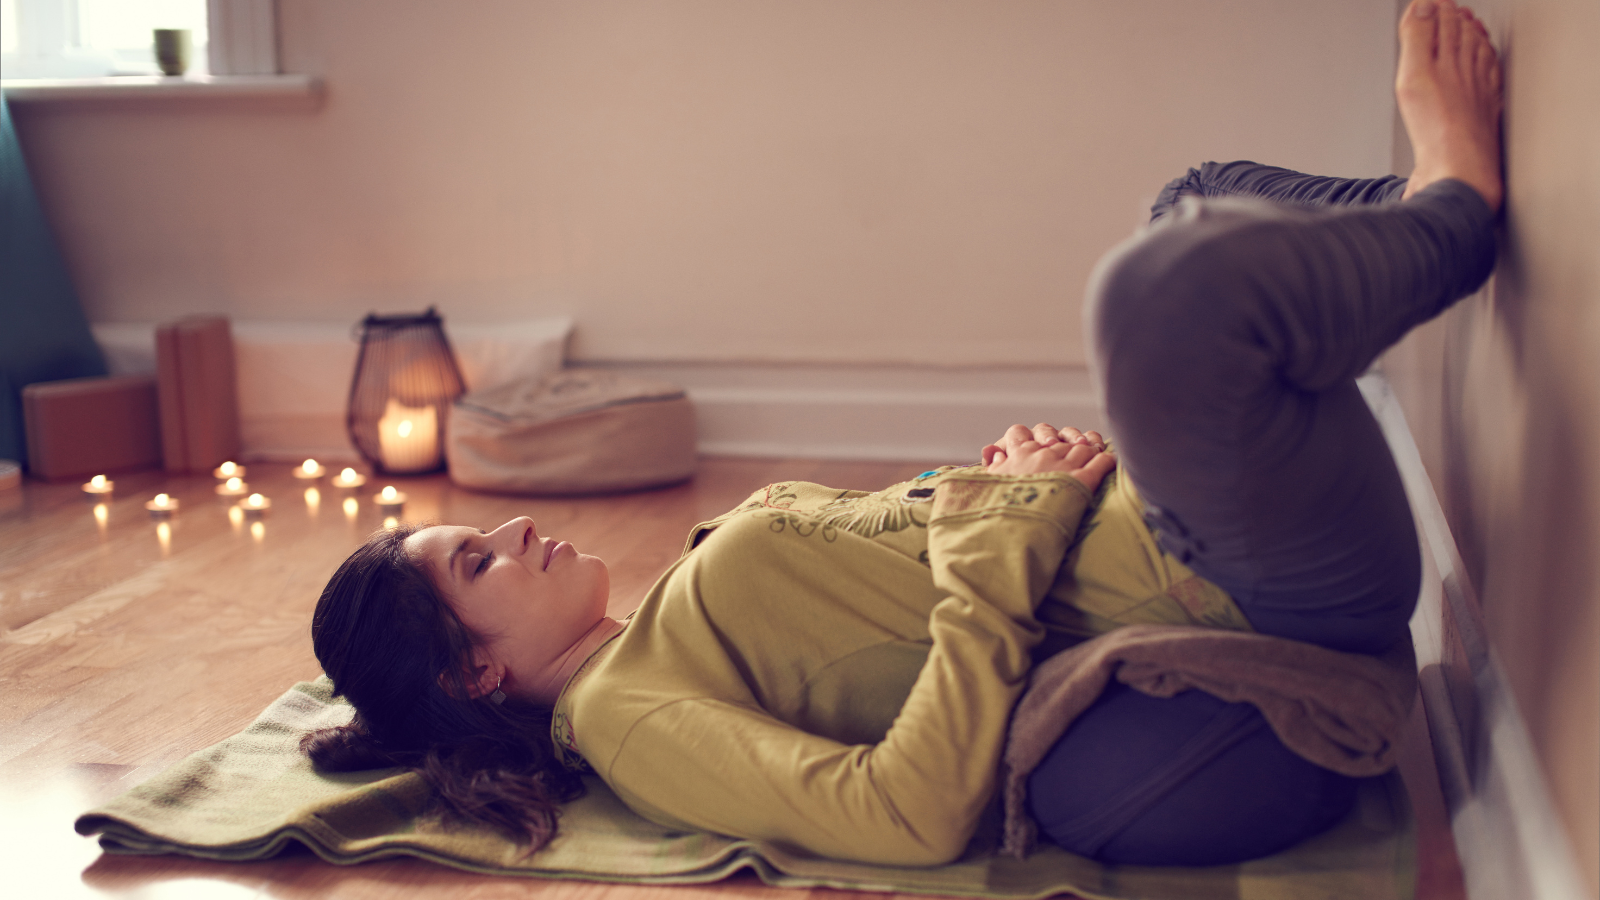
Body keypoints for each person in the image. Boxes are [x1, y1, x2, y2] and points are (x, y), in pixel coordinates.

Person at [304, 0, 1503, 868]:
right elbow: (901, 812)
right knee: (1153, 295)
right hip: (1232, 593)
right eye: (478, 561)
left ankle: (1404, 226)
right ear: (479, 670)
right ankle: (1454, 209)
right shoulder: (626, 718)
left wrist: (991, 481)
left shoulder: (663, 619)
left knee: (1179, 207)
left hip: (1176, 526)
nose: (513, 528)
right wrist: (1008, 521)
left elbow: (891, 589)